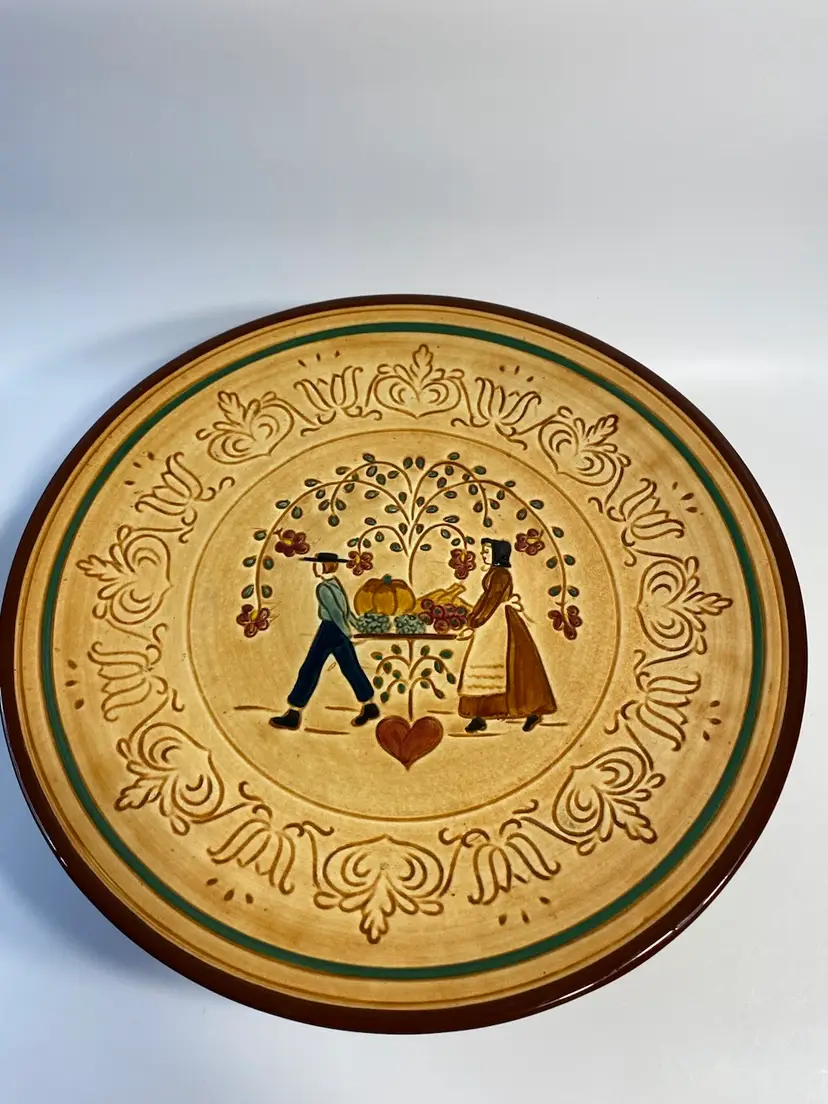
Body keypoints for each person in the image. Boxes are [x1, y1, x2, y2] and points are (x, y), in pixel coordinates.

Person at [270, 552, 379, 731]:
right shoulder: (335, 583)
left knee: (310, 668)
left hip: (330, 630)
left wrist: (350, 631)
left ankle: (294, 713)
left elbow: (337, 613)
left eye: (317, 564)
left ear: (325, 566)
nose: (314, 567)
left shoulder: (323, 588)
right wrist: (355, 626)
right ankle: (369, 705)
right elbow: (345, 612)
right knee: (350, 667)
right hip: (338, 630)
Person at [457, 537, 556, 733]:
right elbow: (485, 598)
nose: (483, 554)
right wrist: (473, 617)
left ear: (497, 554)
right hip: (492, 621)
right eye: (483, 551)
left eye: (487, 551)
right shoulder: (494, 573)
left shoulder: (501, 574)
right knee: (485, 664)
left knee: (506, 665)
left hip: (499, 621)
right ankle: (480, 715)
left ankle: (530, 712)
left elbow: (493, 599)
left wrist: (477, 619)